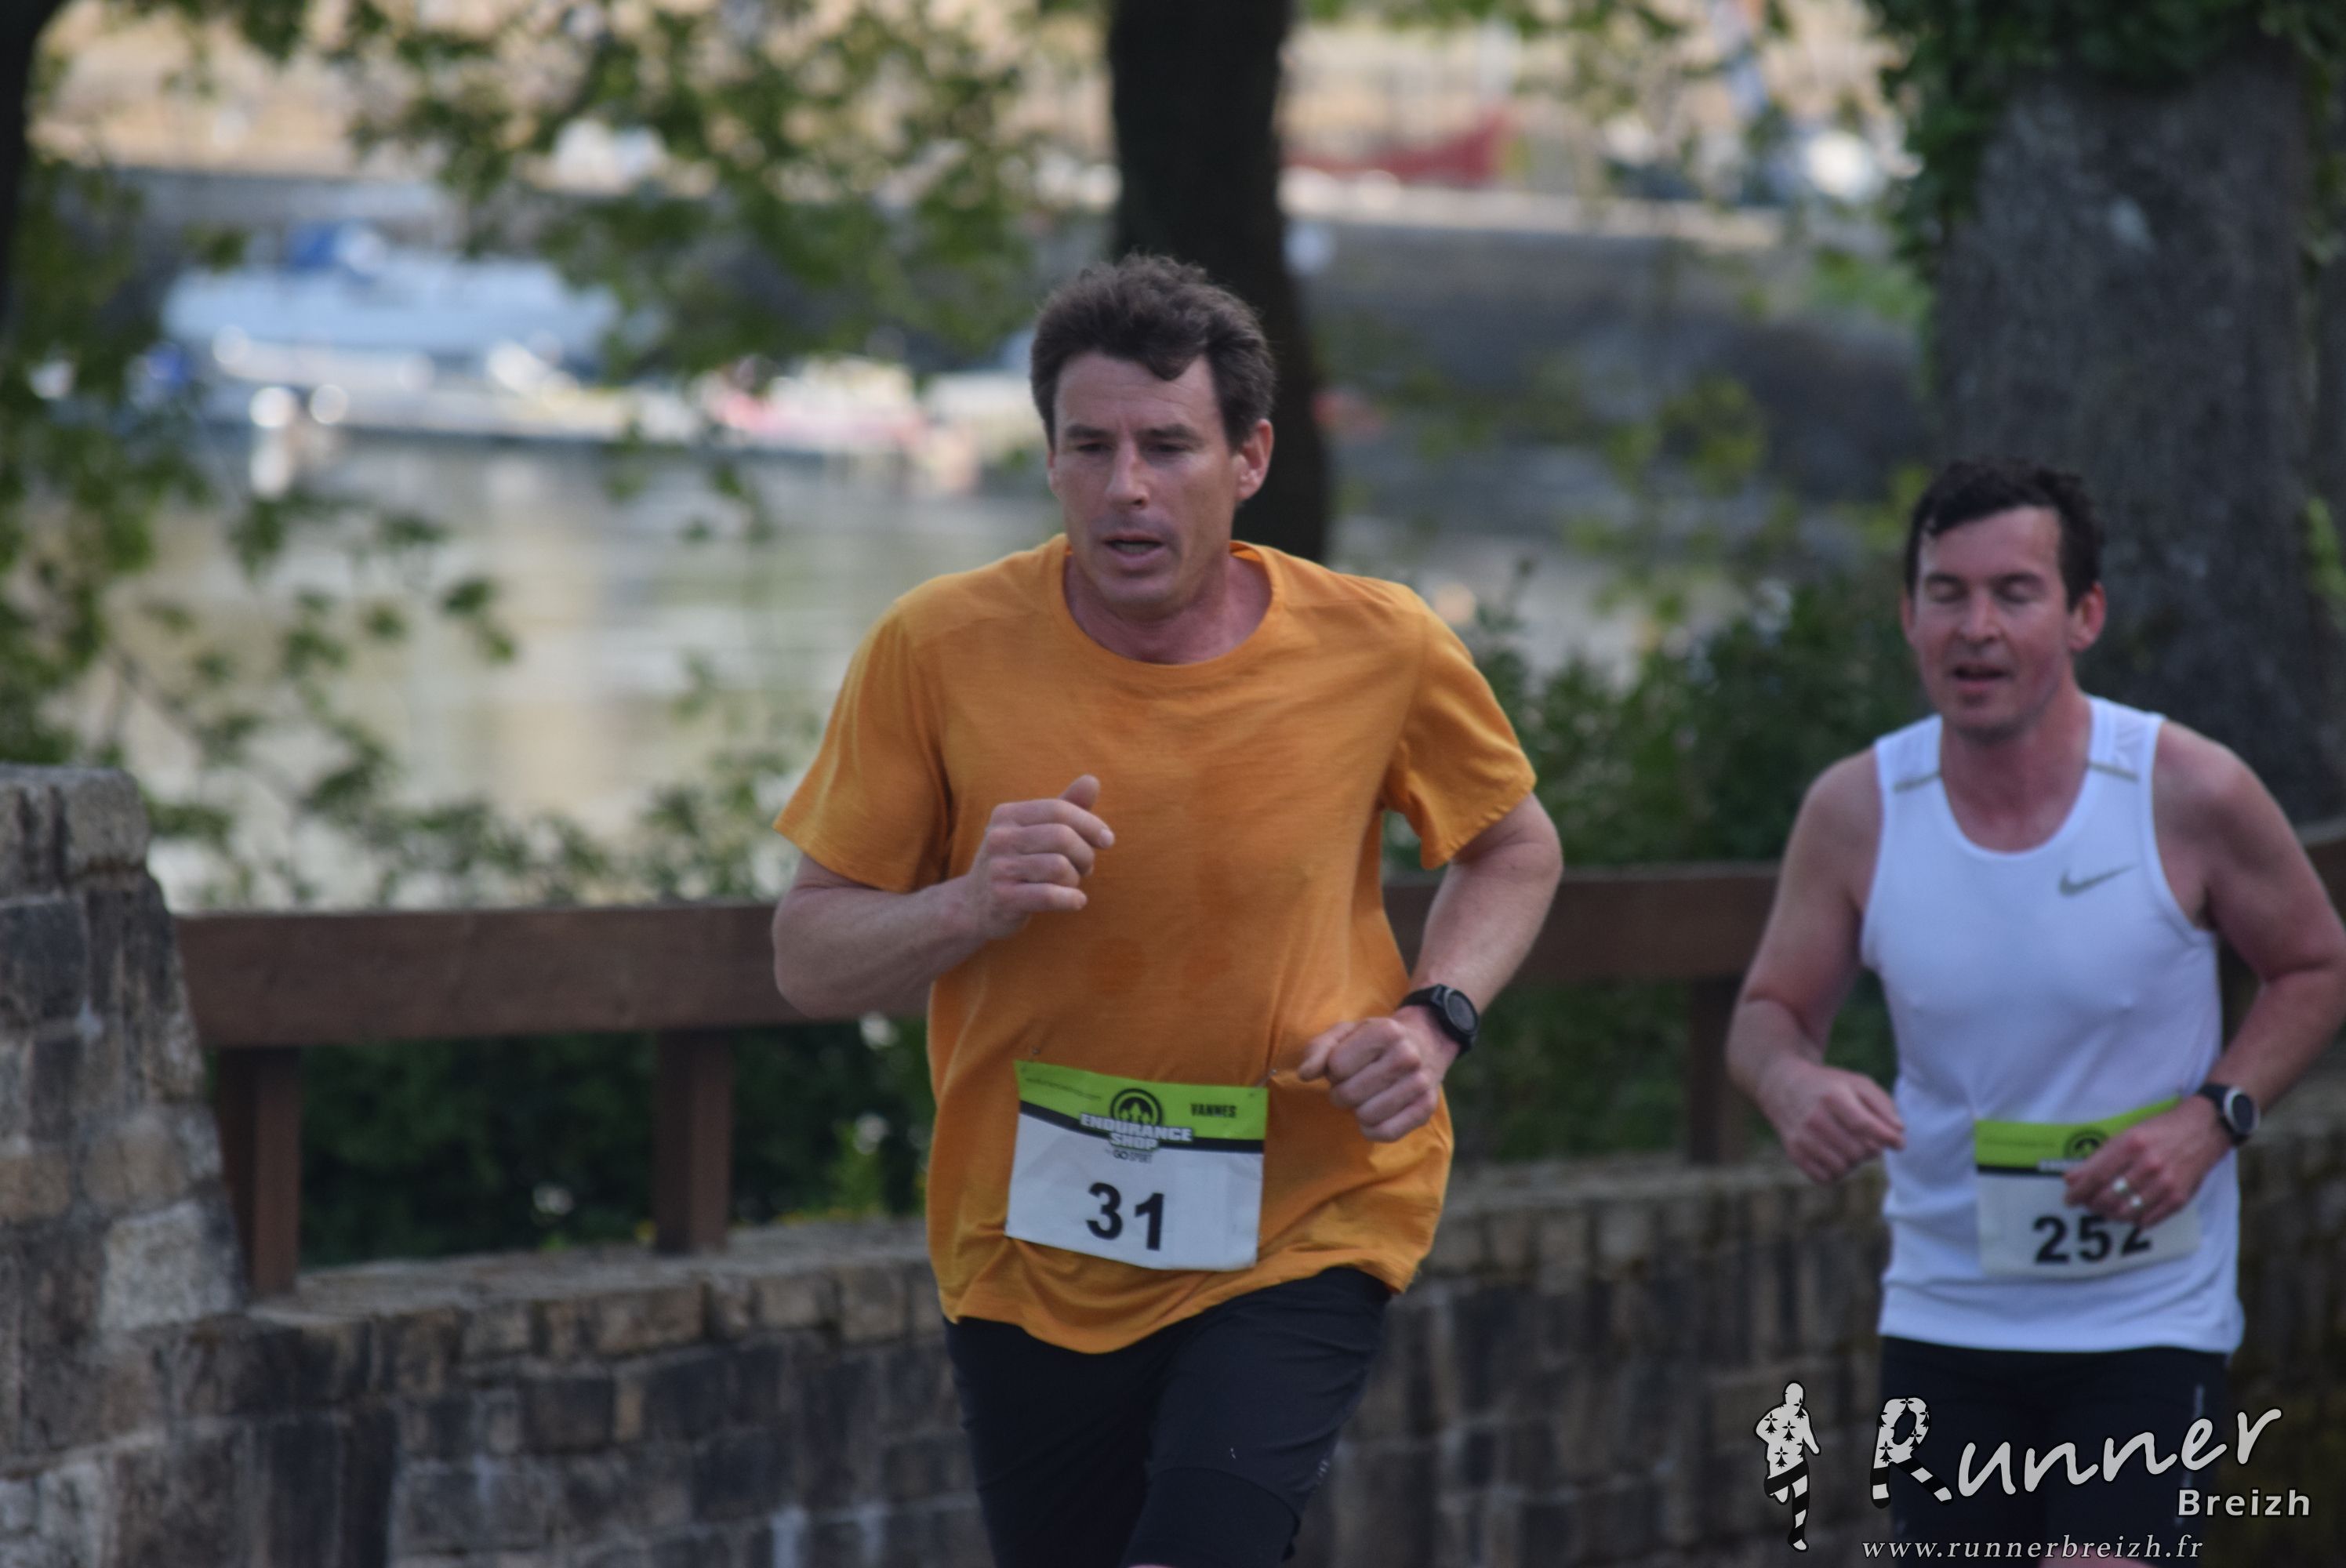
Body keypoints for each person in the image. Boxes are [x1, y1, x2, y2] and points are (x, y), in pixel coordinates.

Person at [768, 255, 1563, 1568]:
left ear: (1249, 459)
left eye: (1168, 446)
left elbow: (1514, 850)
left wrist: (1435, 1019)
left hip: (1303, 1213)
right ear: (1049, 460)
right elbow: (807, 958)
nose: (1126, 486)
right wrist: (967, 904)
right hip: (1029, 1242)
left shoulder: (1381, 645)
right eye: (1091, 447)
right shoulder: (936, 647)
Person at [1727, 457, 2346, 1563]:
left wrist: (2213, 1119)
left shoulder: (2185, 789)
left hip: (2147, 1317)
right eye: (1947, 594)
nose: (1977, 628)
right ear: (1908, 615)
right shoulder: (1859, 809)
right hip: (1945, 1315)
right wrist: (1792, 1083)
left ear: (2083, 615)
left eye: (2015, 593)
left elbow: (2316, 965)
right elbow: (1768, 1012)